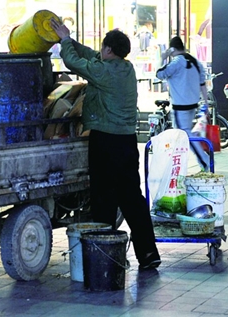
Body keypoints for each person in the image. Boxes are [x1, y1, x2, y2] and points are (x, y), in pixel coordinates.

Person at [49, 18, 161, 270]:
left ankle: (104, 258)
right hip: (127, 142)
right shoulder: (125, 68)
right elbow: (90, 56)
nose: (100, 51)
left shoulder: (103, 72)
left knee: (103, 198)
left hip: (105, 141)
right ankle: (148, 254)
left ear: (108, 49)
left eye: (103, 48)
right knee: (132, 197)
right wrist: (70, 40)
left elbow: (74, 63)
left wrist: (65, 41)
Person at [156, 36, 210, 171]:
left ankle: (205, 161)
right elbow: (203, 84)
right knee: (181, 134)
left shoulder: (176, 62)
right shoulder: (196, 62)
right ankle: (177, 165)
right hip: (193, 104)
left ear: (172, 49)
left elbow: (159, 74)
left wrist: (162, 58)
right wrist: (206, 103)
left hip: (180, 106)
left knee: (184, 134)